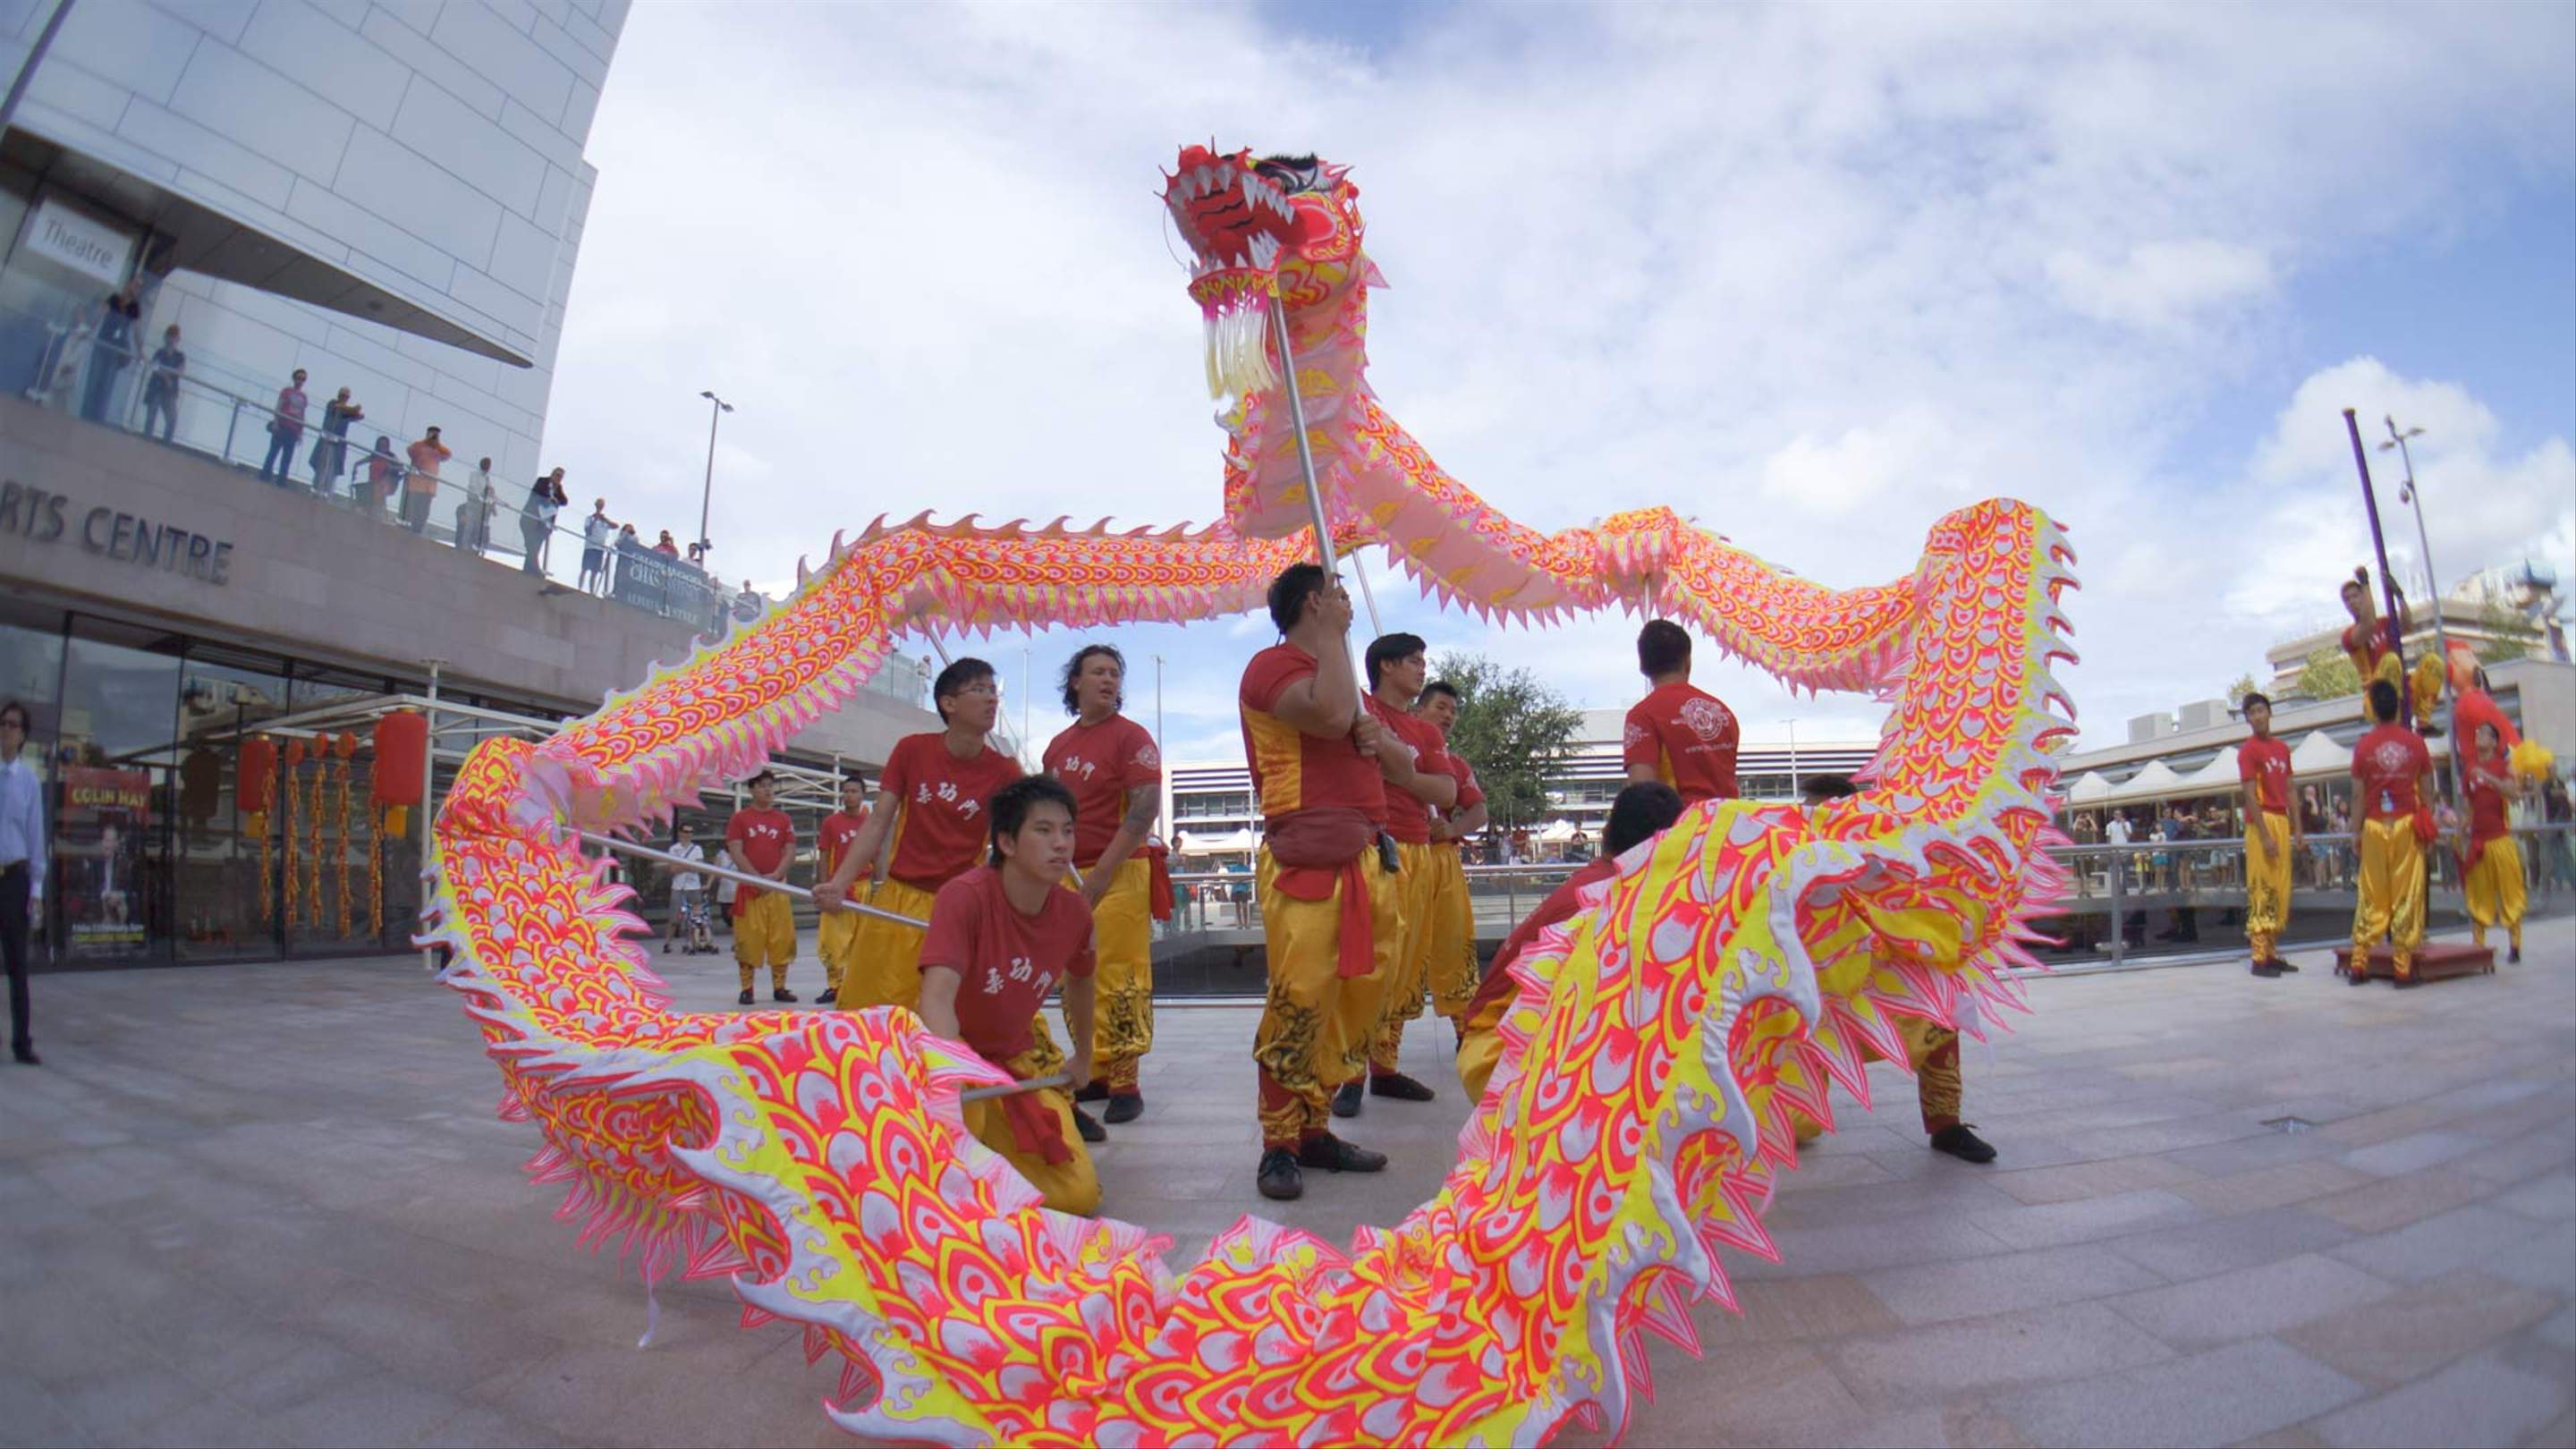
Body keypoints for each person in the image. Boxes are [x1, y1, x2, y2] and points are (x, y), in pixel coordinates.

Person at [1237, 564, 1395, 1201]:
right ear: (1314, 602)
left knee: (1355, 999)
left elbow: (1381, 752)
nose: (1349, 605)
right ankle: (1278, 1141)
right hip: (1306, 861)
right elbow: (1330, 717)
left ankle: (1315, 1127)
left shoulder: (1335, 673)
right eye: (1339, 596)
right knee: (1301, 998)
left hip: (1365, 855)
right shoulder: (1270, 666)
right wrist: (1332, 636)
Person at [916, 775, 1101, 1216]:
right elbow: (937, 997)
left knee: (1076, 1197)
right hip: (943, 1062)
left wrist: (1084, 1054)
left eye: (1068, 830)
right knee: (955, 1147)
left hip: (1011, 1061)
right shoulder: (963, 897)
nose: (1061, 844)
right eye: (1043, 830)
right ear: (1007, 842)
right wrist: (954, 1070)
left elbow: (1082, 980)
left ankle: (990, 1177)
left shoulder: (1075, 912)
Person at [1793, 775, 1997, 1163]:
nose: (1817, 818)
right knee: (1799, 1118)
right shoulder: (1793, 857)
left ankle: (1946, 1124)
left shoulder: (1888, 854)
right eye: (1812, 811)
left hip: (1883, 968)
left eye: (1825, 810)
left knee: (1941, 1012)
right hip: (1821, 980)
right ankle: (1790, 1117)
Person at [815, 657, 1024, 1014]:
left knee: (956, 1013)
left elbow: (1019, 845)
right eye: (979, 690)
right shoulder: (912, 750)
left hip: (960, 906)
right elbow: (879, 820)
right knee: (875, 1007)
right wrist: (839, 882)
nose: (991, 699)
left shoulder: (1005, 772)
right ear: (948, 703)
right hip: (900, 899)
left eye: (994, 690)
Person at [1456, 783, 1683, 1100]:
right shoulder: (1615, 899)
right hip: (1498, 1060)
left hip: (1486, 1041)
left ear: (1607, 832)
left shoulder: (1599, 882)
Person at [1043, 644, 1163, 1123]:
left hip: (1120, 871)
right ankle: (1091, 1067)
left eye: (1115, 673)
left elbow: (1142, 811)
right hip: (1068, 876)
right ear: (1076, 682)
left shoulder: (1132, 738)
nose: (1109, 680)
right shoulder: (1057, 746)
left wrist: (1099, 878)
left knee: (1118, 972)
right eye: (1098, 672)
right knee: (1076, 973)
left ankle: (1126, 1078)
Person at [1339, 631, 1458, 1118]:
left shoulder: (1425, 733)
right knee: (1368, 963)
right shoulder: (1355, 706)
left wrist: (1401, 772)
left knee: (1407, 965)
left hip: (1417, 851)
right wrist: (1405, 771)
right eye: (1413, 661)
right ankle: (1348, 1071)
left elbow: (1447, 793)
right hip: (1369, 847)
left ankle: (1384, 1066)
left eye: (1423, 661)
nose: (1421, 669)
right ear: (1385, 666)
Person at [2348, 679, 2435, 987]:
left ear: (2372, 707)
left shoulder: (2363, 746)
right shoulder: (2415, 743)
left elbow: (2358, 796)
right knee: (2405, 894)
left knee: (2372, 893)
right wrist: (2429, 820)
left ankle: (2359, 962)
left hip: (2373, 825)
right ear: (2397, 706)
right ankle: (2402, 968)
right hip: (2406, 825)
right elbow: (2427, 790)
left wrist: (2354, 833)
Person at [1416, 680, 1489, 1038]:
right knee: (1393, 955)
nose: (1448, 716)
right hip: (1399, 859)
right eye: (1440, 707)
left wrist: (1451, 828)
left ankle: (1467, 1035)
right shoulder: (1393, 753)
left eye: (1453, 710)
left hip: (1442, 863)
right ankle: (1376, 1066)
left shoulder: (1455, 765)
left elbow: (1479, 812)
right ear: (1419, 710)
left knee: (1454, 948)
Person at [1623, 619, 1740, 803]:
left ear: (1643, 665)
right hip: (1728, 824)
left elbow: (1641, 792)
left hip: (1681, 827)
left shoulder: (1642, 716)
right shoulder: (1721, 711)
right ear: (1687, 660)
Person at [724, 770, 799, 1005]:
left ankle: (780, 987)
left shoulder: (783, 819)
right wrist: (756, 878)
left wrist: (776, 875)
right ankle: (747, 988)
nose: (768, 790)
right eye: (762, 786)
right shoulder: (740, 818)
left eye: (771, 786)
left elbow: (790, 850)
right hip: (750, 889)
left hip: (777, 888)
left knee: (781, 938)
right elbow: (736, 851)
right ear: (752, 789)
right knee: (748, 938)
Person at [2337, 569, 2443, 734]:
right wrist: (2365, 584)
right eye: (2347, 599)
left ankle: (2423, 722)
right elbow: (2368, 624)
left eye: (2355, 596)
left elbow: (2407, 625)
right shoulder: (2349, 636)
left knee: (2433, 662)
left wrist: (2400, 597)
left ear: (2364, 597)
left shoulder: (2384, 623)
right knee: (2391, 660)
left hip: (2405, 691)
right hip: (2376, 699)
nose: (2352, 601)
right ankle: (2394, 721)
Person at [2239, 693, 2300, 977]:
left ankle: (2272, 951)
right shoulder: (2248, 751)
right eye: (2252, 712)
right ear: (2248, 719)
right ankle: (2259, 955)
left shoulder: (2282, 749)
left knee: (2280, 888)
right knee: (2262, 886)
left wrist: (2298, 828)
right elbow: (2250, 796)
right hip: (2261, 822)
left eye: (2261, 710)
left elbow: (2290, 788)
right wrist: (2264, 835)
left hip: (2282, 820)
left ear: (2269, 712)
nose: (2258, 716)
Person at [2462, 723, 2527, 963]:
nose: (2478, 736)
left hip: (2501, 840)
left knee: (2509, 893)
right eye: (2477, 732)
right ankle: (2478, 946)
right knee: (2478, 894)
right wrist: (2461, 825)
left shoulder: (2503, 765)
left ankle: (2515, 945)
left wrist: (2488, 777)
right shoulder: (2469, 769)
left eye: (2484, 734)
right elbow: (2469, 805)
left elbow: (2513, 792)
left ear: (2493, 741)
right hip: (2479, 842)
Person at [1, 701, 43, 1065]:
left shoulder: (29, 780)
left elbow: (34, 836)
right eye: (3, 723)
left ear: (24, 734)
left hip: (14, 880)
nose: (7, 730)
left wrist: (36, 890)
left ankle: (22, 1043)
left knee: (17, 967)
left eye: (14, 725)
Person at [812, 776, 869, 1003]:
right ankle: (834, 985)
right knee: (835, 940)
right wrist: (825, 885)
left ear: (863, 795)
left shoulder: (871, 823)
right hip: (838, 889)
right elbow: (824, 855)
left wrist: (878, 885)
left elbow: (880, 855)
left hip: (864, 887)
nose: (849, 795)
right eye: (846, 791)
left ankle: (858, 985)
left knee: (863, 939)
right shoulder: (831, 823)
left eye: (854, 791)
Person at [80, 277, 141, 423]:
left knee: (106, 386)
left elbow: (136, 331)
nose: (135, 288)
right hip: (103, 345)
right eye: (134, 284)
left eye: (138, 287)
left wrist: (140, 351)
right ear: (127, 284)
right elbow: (100, 315)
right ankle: (84, 417)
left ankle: (97, 421)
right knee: (93, 382)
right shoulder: (114, 299)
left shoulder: (134, 307)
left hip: (116, 351)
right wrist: (88, 330)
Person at [258, 368, 309, 483]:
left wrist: (301, 432)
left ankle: (281, 481)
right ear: (294, 379)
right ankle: (265, 476)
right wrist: (276, 423)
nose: (301, 381)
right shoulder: (286, 391)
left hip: (293, 430)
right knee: (273, 452)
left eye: (303, 379)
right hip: (282, 426)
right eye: (299, 378)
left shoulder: (303, 397)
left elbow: (302, 414)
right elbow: (279, 407)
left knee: (287, 458)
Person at [664, 820, 706, 954]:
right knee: (674, 918)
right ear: (680, 832)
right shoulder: (674, 849)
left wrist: (682, 866)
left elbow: (699, 867)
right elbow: (672, 869)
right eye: (686, 831)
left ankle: (693, 943)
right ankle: (667, 943)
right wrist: (689, 865)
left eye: (691, 832)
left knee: (695, 917)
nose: (689, 834)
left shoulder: (697, 849)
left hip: (693, 886)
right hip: (678, 887)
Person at [309, 386, 360, 494]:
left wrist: (354, 411)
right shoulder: (332, 404)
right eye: (342, 395)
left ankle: (327, 492)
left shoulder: (347, 412)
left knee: (332, 469)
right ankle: (316, 489)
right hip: (326, 441)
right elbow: (342, 408)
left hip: (338, 445)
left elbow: (359, 415)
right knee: (322, 467)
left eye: (346, 396)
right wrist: (353, 410)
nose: (344, 398)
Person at [402, 426, 452, 533]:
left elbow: (448, 455)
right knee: (413, 507)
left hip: (429, 487)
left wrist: (436, 445)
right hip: (417, 484)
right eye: (432, 434)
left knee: (424, 511)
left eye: (436, 435)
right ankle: (409, 527)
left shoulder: (438, 450)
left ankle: (418, 529)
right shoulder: (419, 446)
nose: (434, 436)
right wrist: (426, 442)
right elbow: (410, 450)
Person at [140, 324, 184, 442]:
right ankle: (147, 440)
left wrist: (165, 374)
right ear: (166, 337)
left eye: (174, 336)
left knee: (172, 419)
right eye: (170, 336)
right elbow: (155, 367)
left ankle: (166, 444)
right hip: (157, 388)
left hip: (169, 391)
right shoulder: (159, 352)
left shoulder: (180, 356)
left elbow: (180, 371)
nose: (172, 339)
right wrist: (167, 377)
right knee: (151, 416)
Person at [521, 469, 567, 575]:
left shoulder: (558, 488)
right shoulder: (542, 481)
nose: (558, 478)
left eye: (561, 477)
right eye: (557, 475)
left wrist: (556, 498)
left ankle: (529, 570)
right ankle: (535, 569)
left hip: (544, 524)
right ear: (552, 474)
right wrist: (549, 497)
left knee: (535, 547)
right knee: (531, 545)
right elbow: (538, 491)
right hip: (531, 518)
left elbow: (564, 501)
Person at [456, 459, 497, 555]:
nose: (488, 467)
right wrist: (484, 494)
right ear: (482, 464)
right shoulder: (474, 474)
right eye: (487, 464)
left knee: (478, 529)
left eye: (489, 465)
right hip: (473, 504)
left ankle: (473, 550)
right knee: (469, 526)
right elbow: (475, 489)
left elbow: (491, 493)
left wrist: (499, 502)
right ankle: (464, 549)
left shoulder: (487, 479)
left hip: (481, 508)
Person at [579, 499, 618, 593]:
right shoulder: (590, 518)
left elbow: (615, 526)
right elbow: (587, 530)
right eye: (599, 503)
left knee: (595, 571)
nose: (600, 505)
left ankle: (592, 591)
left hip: (600, 548)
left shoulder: (604, 521)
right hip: (590, 547)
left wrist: (605, 520)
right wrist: (595, 519)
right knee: (585, 568)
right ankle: (580, 588)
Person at [360, 436, 402, 515]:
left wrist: (391, 467)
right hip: (372, 483)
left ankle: (379, 518)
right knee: (369, 503)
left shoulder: (391, 456)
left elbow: (401, 467)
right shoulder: (375, 455)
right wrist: (356, 465)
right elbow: (365, 460)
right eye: (380, 444)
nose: (382, 446)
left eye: (384, 444)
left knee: (379, 503)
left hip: (383, 484)